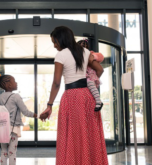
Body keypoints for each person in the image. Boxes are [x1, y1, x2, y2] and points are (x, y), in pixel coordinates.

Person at [40, 26, 108, 165]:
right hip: (87, 96)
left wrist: (49, 105)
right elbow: (100, 70)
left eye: (55, 42)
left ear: (61, 39)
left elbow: (56, 83)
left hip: (71, 96)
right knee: (89, 134)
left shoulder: (61, 55)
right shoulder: (86, 51)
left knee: (72, 135)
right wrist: (90, 84)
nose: (54, 46)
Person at [0, 74, 37, 165]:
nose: (16, 83)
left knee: (3, 151)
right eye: (14, 81)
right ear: (9, 85)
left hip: (2, 128)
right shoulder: (16, 96)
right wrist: (36, 115)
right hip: (13, 129)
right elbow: (25, 112)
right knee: (12, 152)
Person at [78, 39, 104, 111]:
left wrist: (93, 56)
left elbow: (101, 57)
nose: (83, 48)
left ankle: (98, 101)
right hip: (87, 77)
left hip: (91, 76)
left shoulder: (90, 54)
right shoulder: (78, 56)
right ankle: (98, 101)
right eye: (81, 46)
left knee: (89, 83)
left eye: (85, 46)